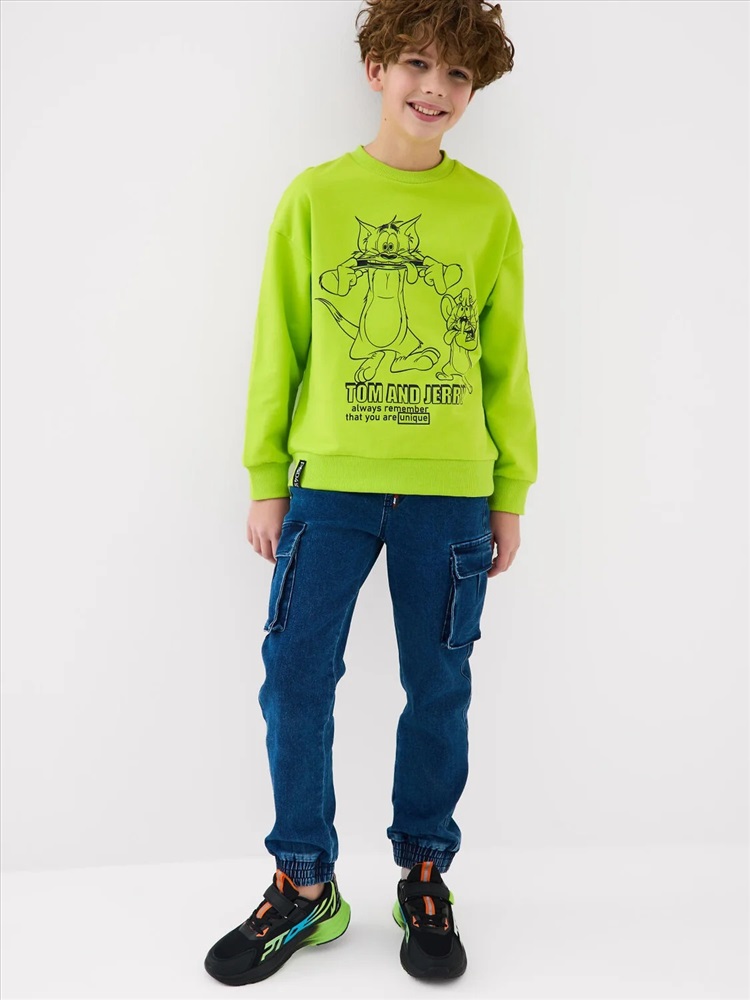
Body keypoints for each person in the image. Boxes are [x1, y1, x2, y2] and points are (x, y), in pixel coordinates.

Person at [204, 0, 537, 986]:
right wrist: (267, 477)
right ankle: (304, 884)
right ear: (375, 69)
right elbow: (280, 342)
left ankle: (424, 871)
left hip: (452, 494)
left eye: (458, 75)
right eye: (417, 64)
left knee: (439, 685)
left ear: (474, 90)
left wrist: (509, 491)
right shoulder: (316, 198)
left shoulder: (488, 212)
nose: (435, 89)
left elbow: (506, 363)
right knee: (295, 677)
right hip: (330, 487)